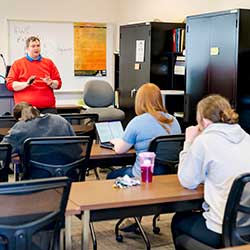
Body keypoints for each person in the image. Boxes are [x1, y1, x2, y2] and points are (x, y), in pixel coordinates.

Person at [171, 94, 250, 249]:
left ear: (205, 122)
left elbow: (187, 181)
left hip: (221, 230)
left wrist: (188, 142)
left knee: (178, 221)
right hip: (247, 227)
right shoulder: (247, 138)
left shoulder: (204, 141)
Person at [107, 83, 181, 179]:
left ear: (139, 101)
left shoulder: (137, 122)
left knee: (111, 176)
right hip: (169, 176)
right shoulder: (174, 120)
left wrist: (117, 142)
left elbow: (120, 150)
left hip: (144, 175)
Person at [1, 102, 78, 164]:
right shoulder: (61, 120)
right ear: (35, 109)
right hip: (68, 175)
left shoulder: (20, 127)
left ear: (20, 119)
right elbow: (76, 148)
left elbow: (2, 153)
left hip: (37, 179)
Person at [6, 36, 62, 114]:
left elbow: (58, 84)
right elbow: (10, 84)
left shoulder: (49, 63)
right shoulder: (17, 64)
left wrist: (51, 83)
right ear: (27, 49)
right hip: (26, 109)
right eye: (33, 46)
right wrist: (26, 84)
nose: (36, 48)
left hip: (48, 108)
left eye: (38, 46)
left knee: (54, 124)